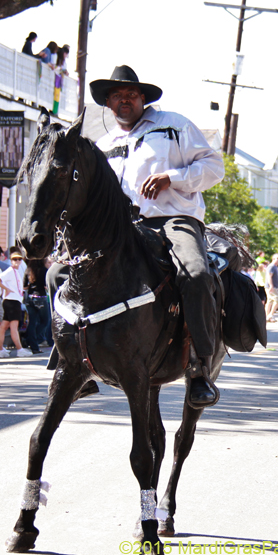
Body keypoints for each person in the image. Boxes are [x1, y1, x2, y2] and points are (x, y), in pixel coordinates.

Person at [90, 64, 225, 408]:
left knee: (196, 275)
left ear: (142, 98)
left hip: (173, 220)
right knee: (60, 275)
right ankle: (75, 363)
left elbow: (214, 168)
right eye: (117, 95)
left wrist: (171, 178)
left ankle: (199, 368)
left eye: (131, 94)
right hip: (121, 230)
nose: (124, 100)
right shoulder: (103, 145)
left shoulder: (174, 126)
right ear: (107, 102)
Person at [0, 251, 32, 358]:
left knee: (3, 326)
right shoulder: (10, 271)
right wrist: (6, 289)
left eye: (19, 259)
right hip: (12, 301)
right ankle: (19, 349)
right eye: (15, 259)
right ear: (11, 261)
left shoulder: (16, 271)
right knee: (13, 326)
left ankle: (1, 349)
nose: (17, 261)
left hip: (13, 300)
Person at [24, 260, 50, 353]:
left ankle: (33, 346)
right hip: (40, 297)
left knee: (32, 322)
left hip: (30, 297)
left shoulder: (28, 270)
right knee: (45, 321)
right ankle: (30, 339)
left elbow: (24, 286)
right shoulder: (44, 270)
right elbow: (46, 285)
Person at [265, 254, 278, 323]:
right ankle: (270, 315)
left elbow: (277, 278)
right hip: (271, 287)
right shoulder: (271, 266)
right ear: (273, 259)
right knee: (277, 301)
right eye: (277, 258)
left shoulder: (275, 267)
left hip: (274, 287)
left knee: (270, 301)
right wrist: (271, 285)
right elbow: (269, 276)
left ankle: (267, 316)